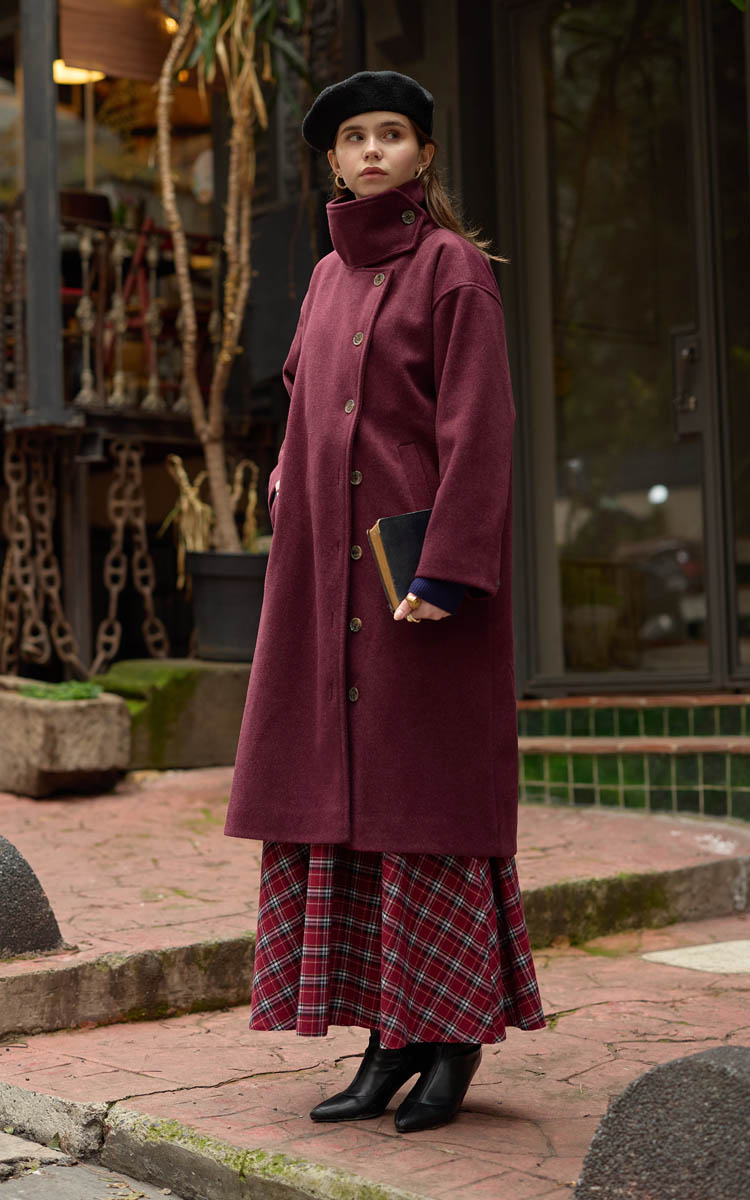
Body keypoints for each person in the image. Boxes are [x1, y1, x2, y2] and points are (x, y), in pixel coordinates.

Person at [224, 69, 546, 1134]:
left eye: (392, 134)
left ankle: (451, 1038)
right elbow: (301, 401)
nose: (372, 151)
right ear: (332, 161)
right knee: (348, 815)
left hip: (418, 596)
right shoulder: (323, 278)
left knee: (424, 812)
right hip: (326, 590)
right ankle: (389, 1039)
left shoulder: (453, 268)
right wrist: (286, 483)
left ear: (423, 155)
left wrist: (445, 570)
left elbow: (479, 428)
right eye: (354, 137)